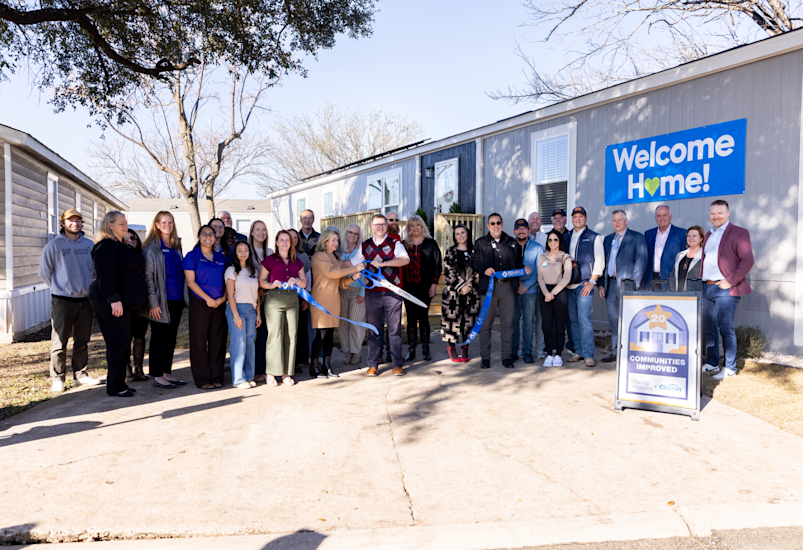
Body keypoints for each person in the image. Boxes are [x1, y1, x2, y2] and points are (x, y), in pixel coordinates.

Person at [38, 209, 101, 392]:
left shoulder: (90, 245)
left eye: (78, 220)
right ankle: (57, 377)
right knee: (59, 343)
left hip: (85, 300)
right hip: (62, 300)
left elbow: (96, 271)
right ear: (63, 223)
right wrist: (60, 287)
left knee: (82, 340)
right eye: (70, 220)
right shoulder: (54, 245)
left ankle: (80, 375)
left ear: (82, 223)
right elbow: (44, 272)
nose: (75, 223)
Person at [88, 211, 148, 397]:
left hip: (128, 304)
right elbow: (105, 276)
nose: (125, 226)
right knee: (117, 344)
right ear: (110, 226)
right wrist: (114, 300)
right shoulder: (105, 246)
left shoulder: (120, 246)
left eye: (126, 223)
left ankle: (119, 382)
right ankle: (115, 386)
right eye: (121, 223)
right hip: (111, 302)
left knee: (123, 343)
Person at [348, 213, 410, 376]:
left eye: (383, 224)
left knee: (394, 330)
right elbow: (352, 263)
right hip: (372, 294)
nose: (380, 227)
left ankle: (397, 364)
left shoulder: (395, 243)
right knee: (374, 330)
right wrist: (335, 266)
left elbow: (405, 260)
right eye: (377, 224)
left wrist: (383, 264)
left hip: (393, 293)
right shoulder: (364, 245)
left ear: (386, 226)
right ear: (372, 226)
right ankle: (373, 364)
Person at [700, 200, 754, 380]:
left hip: (725, 289)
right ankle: (712, 362)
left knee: (725, 328)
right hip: (706, 288)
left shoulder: (739, 232)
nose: (716, 216)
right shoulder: (708, 234)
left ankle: (730, 367)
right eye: (713, 213)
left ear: (728, 213)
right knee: (709, 328)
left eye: (720, 213)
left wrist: (729, 281)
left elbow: (747, 261)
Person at [470, 213, 528, 369]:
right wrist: (484, 270)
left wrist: (523, 270)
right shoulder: (481, 243)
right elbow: (473, 262)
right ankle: (485, 358)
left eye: (498, 223)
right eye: (492, 223)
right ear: (488, 226)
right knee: (486, 324)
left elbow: (517, 263)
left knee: (508, 324)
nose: (496, 226)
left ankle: (506, 357)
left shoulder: (511, 242)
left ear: (502, 224)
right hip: (488, 288)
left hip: (507, 287)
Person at [309, 228, 363, 378]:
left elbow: (341, 282)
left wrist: (353, 277)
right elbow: (332, 273)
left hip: (334, 300)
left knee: (330, 335)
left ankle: (327, 366)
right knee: (322, 334)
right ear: (325, 241)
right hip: (321, 300)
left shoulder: (337, 258)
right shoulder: (318, 256)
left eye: (337, 240)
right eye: (333, 240)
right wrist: (354, 268)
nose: (336, 243)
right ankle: (314, 367)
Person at [143, 211, 188, 389]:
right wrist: (153, 303)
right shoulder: (151, 247)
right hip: (161, 301)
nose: (168, 225)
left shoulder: (177, 245)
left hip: (177, 299)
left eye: (170, 222)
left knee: (171, 338)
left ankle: (167, 372)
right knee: (159, 338)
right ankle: (157, 375)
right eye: (164, 222)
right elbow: (147, 277)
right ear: (157, 224)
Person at [182, 224, 228, 389]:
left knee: (217, 340)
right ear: (199, 236)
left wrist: (223, 299)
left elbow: (228, 280)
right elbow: (191, 282)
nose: (208, 237)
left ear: (215, 238)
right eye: (204, 234)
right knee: (199, 341)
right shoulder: (191, 256)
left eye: (211, 234)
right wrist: (208, 299)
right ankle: (202, 379)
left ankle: (216, 376)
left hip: (219, 303)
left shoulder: (222, 258)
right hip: (200, 303)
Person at [259, 230, 306, 386]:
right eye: (282, 240)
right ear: (277, 242)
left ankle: (286, 373)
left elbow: (304, 283)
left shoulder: (297, 261)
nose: (285, 242)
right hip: (274, 299)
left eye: (287, 240)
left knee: (291, 334)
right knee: (275, 334)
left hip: (292, 299)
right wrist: (271, 285)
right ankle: (271, 372)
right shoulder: (269, 260)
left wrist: (297, 280)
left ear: (291, 243)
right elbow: (261, 281)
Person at [600, 210, 648, 363]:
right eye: (614, 220)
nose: (617, 223)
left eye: (620, 220)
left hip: (628, 286)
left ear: (626, 220)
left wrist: (634, 284)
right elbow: (602, 263)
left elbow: (641, 262)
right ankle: (615, 352)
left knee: (630, 319)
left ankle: (631, 352)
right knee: (614, 321)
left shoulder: (637, 237)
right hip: (610, 284)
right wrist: (601, 284)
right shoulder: (608, 239)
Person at [564, 206, 605, 368]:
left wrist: (592, 281)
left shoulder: (594, 237)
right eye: (575, 217)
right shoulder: (566, 237)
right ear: (572, 219)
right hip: (568, 286)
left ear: (586, 219)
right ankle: (578, 352)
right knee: (573, 320)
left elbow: (600, 261)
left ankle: (588, 354)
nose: (578, 219)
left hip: (584, 285)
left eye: (581, 216)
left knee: (584, 320)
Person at [402, 215, 442, 362]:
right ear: (408, 229)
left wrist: (434, 284)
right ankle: (411, 350)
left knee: (423, 318)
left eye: (418, 225)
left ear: (423, 227)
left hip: (425, 287)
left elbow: (437, 264)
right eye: (412, 226)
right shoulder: (403, 244)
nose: (415, 228)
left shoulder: (430, 243)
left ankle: (426, 349)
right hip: (408, 288)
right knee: (411, 319)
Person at [441, 224, 480, 362]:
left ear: (467, 234)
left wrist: (469, 285)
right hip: (453, 294)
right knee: (452, 322)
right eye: (457, 234)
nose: (460, 236)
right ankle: (451, 347)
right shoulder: (451, 251)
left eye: (463, 233)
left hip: (471, 293)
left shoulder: (474, 251)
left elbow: (478, 270)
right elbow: (448, 271)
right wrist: (461, 286)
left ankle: (465, 348)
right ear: (454, 236)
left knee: (467, 322)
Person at [225, 241, 261, 389]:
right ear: (235, 253)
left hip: (252, 310)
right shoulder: (232, 270)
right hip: (237, 309)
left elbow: (257, 294)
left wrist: (258, 314)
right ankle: (238, 379)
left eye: (246, 250)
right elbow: (230, 295)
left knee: (250, 343)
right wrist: (235, 315)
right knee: (238, 343)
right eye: (240, 250)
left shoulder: (254, 271)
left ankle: (248, 375)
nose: (243, 253)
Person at [538, 230, 573, 366]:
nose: (553, 243)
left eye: (555, 240)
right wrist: (546, 293)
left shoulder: (565, 257)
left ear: (560, 241)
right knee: (546, 325)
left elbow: (566, 278)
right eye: (550, 240)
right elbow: (540, 277)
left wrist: (553, 293)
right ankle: (548, 354)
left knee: (559, 325)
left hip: (559, 293)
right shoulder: (543, 257)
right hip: (544, 292)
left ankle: (558, 353)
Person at [512, 219, 544, 363]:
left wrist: (527, 285)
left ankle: (527, 351)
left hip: (530, 290)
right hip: (512, 289)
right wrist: (516, 283)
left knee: (528, 322)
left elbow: (539, 270)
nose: (521, 231)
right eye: (518, 229)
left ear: (528, 230)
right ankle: (513, 351)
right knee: (513, 321)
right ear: (514, 231)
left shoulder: (537, 247)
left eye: (524, 228)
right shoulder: (509, 246)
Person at [123, 228, 150, 382]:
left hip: (141, 303)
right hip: (126, 303)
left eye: (133, 238)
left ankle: (138, 368)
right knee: (126, 336)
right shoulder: (119, 256)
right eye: (127, 238)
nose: (131, 240)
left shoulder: (143, 256)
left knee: (140, 335)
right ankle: (127, 369)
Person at [339, 224, 367, 365]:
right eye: (350, 232)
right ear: (346, 233)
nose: (352, 235)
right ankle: (347, 351)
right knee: (343, 323)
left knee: (356, 322)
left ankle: (356, 352)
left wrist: (363, 292)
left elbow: (365, 274)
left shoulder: (361, 250)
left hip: (357, 291)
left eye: (356, 233)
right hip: (342, 290)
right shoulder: (339, 250)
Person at [249, 220, 273, 382]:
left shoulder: (270, 251)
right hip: (249, 298)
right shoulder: (245, 250)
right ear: (252, 232)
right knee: (250, 336)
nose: (261, 233)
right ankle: (249, 370)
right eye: (258, 230)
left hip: (266, 298)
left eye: (263, 230)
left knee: (264, 335)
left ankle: (261, 368)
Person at [378, 210, 403, 363]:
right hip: (380, 287)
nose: (394, 222)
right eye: (390, 220)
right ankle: (379, 354)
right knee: (379, 324)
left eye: (396, 220)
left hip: (396, 287)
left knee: (394, 325)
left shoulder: (398, 239)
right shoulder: (379, 240)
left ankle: (392, 354)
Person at [642, 205, 686, 289]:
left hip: (671, 280)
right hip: (651, 279)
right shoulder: (648, 234)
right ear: (655, 217)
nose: (662, 218)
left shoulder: (681, 234)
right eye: (659, 215)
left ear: (670, 216)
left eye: (665, 215)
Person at [288, 228, 312, 372]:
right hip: (285, 296)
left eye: (295, 238)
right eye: (290, 237)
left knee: (300, 329)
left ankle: (300, 360)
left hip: (300, 296)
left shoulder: (303, 256)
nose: (293, 240)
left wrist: (306, 298)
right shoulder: (281, 256)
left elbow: (308, 278)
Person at [527, 212, 547, 360]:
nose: (535, 220)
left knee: (540, 319)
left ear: (541, 222)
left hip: (542, 285)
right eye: (532, 218)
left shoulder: (546, 239)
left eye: (538, 218)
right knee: (525, 319)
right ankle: (524, 348)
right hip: (525, 286)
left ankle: (540, 349)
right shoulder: (521, 240)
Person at [669, 226, 705, 292]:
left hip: (696, 295)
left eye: (694, 236)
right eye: (689, 236)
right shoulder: (680, 255)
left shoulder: (705, 256)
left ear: (701, 238)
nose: (691, 238)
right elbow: (673, 274)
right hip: (678, 295)